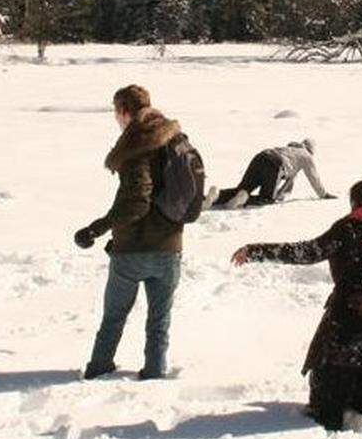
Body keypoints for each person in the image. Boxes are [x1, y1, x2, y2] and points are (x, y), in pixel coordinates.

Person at [231, 178, 362, 430]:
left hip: (347, 325)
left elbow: (308, 252)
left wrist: (256, 251)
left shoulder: (350, 229)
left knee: (325, 411)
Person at [74, 85, 186, 380]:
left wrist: (96, 229)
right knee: (159, 320)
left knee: (114, 316)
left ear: (124, 111)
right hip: (170, 247)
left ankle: (99, 368)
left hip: (133, 251)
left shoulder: (137, 145)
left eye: (115, 111)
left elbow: (137, 202)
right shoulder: (174, 139)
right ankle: (154, 371)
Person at [210, 139, 336, 209]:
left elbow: (290, 179)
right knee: (267, 198)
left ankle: (216, 196)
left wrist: (284, 192)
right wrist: (323, 194)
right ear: (311, 150)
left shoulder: (290, 149)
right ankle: (245, 200)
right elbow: (313, 178)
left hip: (261, 156)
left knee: (242, 189)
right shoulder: (306, 156)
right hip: (275, 164)